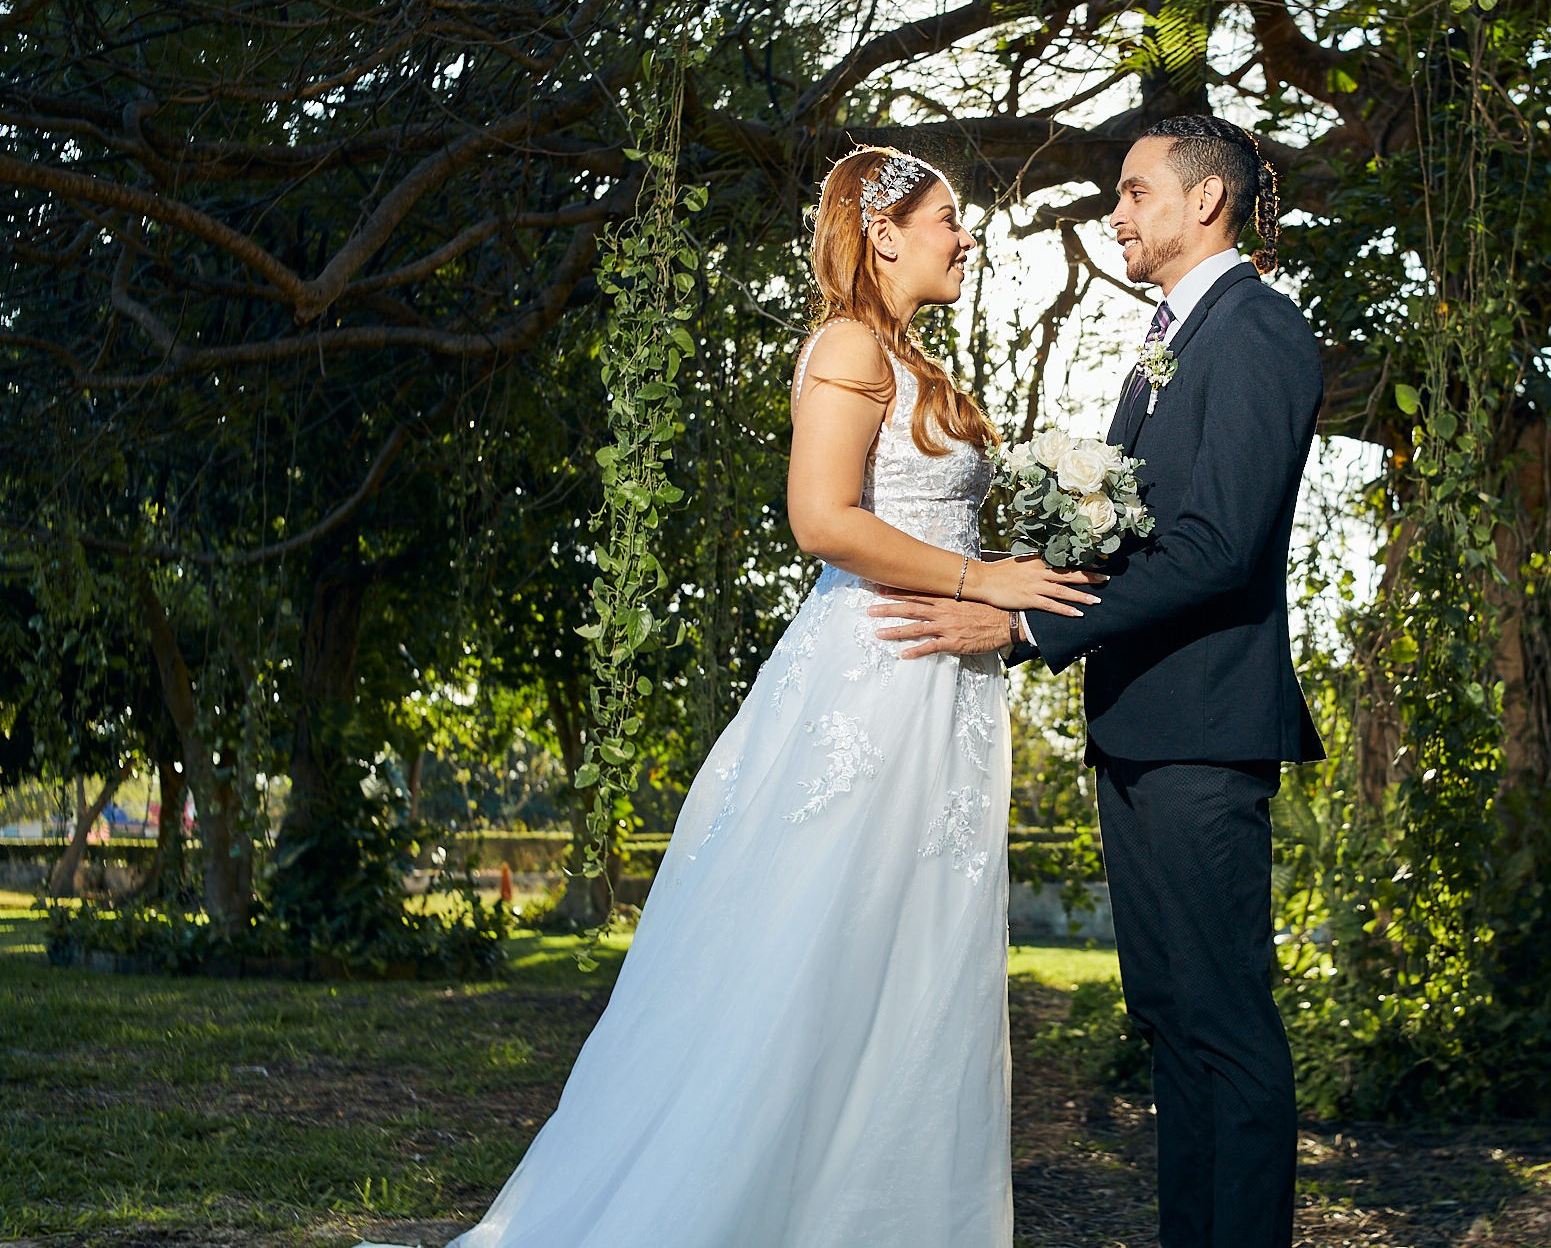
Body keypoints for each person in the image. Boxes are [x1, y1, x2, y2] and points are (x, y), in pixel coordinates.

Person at [366, 147, 1100, 1248]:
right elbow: (819, 520)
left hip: (940, 683)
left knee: (913, 952)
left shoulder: (909, 357)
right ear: (886, 232)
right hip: (874, 679)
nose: (966, 235)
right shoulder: (849, 344)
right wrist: (977, 577)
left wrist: (1020, 558)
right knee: (815, 943)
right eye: (950, 217)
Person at [875, 114, 1326, 1248]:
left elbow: (1218, 545)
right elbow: (1137, 532)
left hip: (1204, 732)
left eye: (1132, 193)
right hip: (1137, 725)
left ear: (1204, 202)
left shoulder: (1258, 332)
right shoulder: (1170, 340)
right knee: (1172, 1022)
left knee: (1223, 1025)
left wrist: (1021, 626)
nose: (1114, 216)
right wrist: (1022, 563)